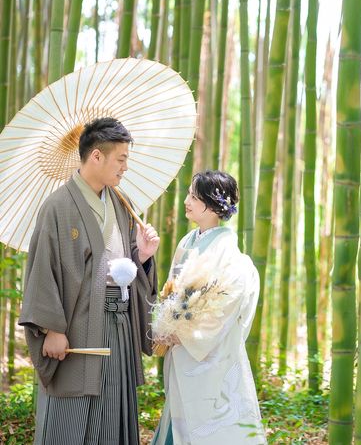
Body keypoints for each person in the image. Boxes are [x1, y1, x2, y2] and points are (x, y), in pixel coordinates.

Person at [19, 117, 160, 445]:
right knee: (70, 413)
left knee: (113, 413)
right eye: (121, 159)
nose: (125, 167)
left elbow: (124, 265)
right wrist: (51, 329)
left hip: (119, 323)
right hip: (76, 326)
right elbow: (42, 269)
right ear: (96, 156)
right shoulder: (57, 207)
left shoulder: (122, 204)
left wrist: (142, 255)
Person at [153, 170, 265, 445]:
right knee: (179, 412)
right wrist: (167, 320)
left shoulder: (228, 253)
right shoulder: (187, 241)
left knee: (209, 418)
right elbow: (172, 288)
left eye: (194, 197)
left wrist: (186, 334)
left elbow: (224, 304)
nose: (186, 201)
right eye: (188, 195)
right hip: (180, 346)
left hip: (206, 351)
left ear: (213, 205)